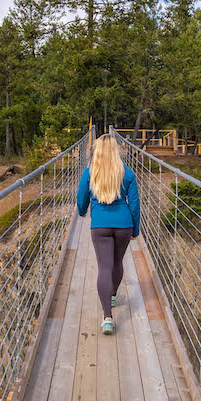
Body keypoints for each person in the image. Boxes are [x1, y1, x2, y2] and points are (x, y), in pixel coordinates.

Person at [76, 133, 140, 335]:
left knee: (104, 267)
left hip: (100, 225)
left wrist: (82, 210)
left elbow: (81, 198)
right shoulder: (127, 173)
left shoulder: (89, 172)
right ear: (116, 151)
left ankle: (107, 318)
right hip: (124, 224)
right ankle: (112, 293)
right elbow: (135, 204)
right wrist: (135, 229)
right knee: (117, 263)